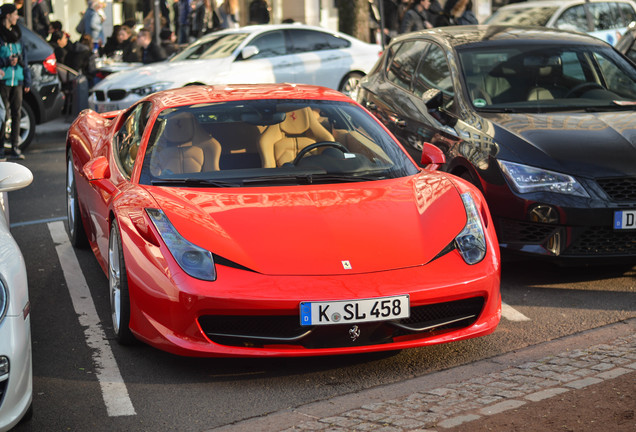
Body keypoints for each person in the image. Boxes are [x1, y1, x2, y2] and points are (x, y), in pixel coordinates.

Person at [0, 3, 31, 161]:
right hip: (3, 81)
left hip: (17, 79)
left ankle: (15, 147)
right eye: (15, 14)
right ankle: (1, 150)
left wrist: (27, 80)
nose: (17, 17)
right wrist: (6, 61)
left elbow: (25, 59)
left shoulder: (18, 34)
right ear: (7, 15)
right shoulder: (1, 35)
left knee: (17, 114)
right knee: (2, 115)